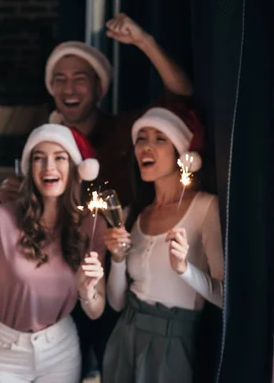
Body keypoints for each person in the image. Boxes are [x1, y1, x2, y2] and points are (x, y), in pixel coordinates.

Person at [0, 124, 107, 382]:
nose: (49, 166)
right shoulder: (2, 217)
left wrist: (86, 290)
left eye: (59, 157)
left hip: (60, 349)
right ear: (29, 169)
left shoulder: (92, 225)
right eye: (39, 158)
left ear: (76, 168)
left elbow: (95, 310)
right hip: (4, 349)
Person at [0, 13, 194, 207]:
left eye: (80, 79)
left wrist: (144, 41)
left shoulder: (127, 131)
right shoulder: (43, 147)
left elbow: (180, 94)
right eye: (60, 79)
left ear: (99, 87)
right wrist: (18, 201)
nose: (69, 89)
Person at [102, 106, 224, 383]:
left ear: (183, 154)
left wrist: (184, 269)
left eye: (160, 138)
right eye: (141, 138)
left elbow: (226, 298)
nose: (146, 147)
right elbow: (117, 302)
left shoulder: (205, 207)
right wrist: (118, 260)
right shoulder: (135, 213)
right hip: (124, 336)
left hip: (172, 344)